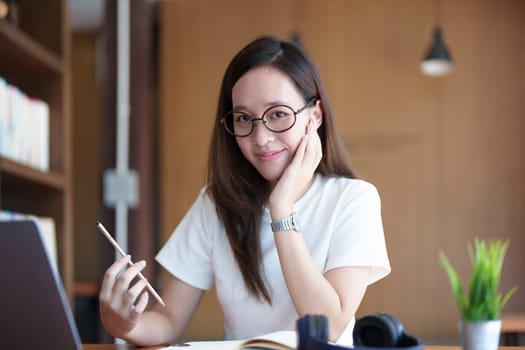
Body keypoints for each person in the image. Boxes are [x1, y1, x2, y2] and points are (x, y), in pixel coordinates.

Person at [99, 36, 391, 347]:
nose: (260, 137)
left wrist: (281, 207)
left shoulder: (354, 199)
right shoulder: (216, 203)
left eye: (278, 114)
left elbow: (329, 327)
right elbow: (167, 321)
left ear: (315, 115)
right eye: (243, 118)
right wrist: (122, 324)